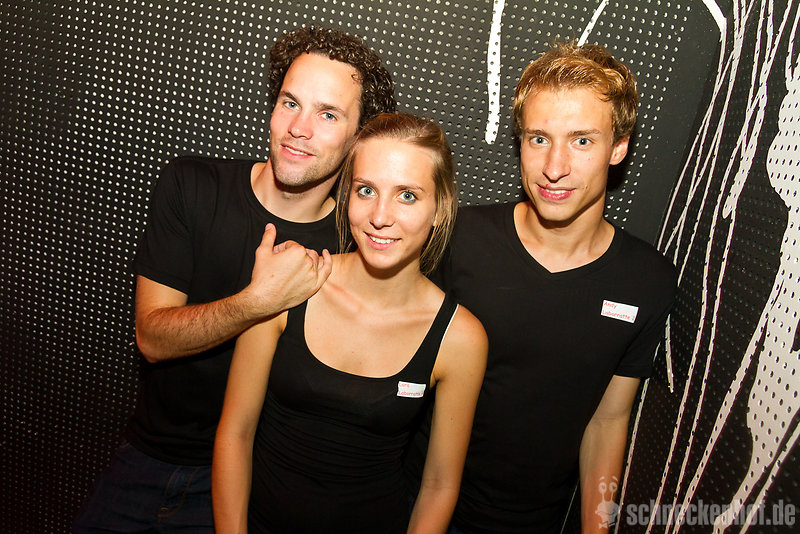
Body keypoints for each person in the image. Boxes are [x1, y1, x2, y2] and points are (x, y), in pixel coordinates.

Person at [73, 25, 396, 533]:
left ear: (358, 139)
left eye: (327, 114)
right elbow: (152, 338)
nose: (299, 128)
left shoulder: (356, 248)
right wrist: (257, 301)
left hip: (255, 483)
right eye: (290, 103)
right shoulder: (193, 186)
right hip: (148, 458)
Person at [405, 43, 678, 533]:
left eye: (581, 141)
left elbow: (608, 422)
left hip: (531, 521)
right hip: (413, 501)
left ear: (618, 147)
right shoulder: (459, 239)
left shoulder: (646, 281)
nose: (554, 166)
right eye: (538, 139)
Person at [212, 112, 487, 534]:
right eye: (366, 190)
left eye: (407, 196)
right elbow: (235, 433)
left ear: (439, 208)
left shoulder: (459, 338)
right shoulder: (290, 283)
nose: (380, 216)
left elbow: (439, 484)